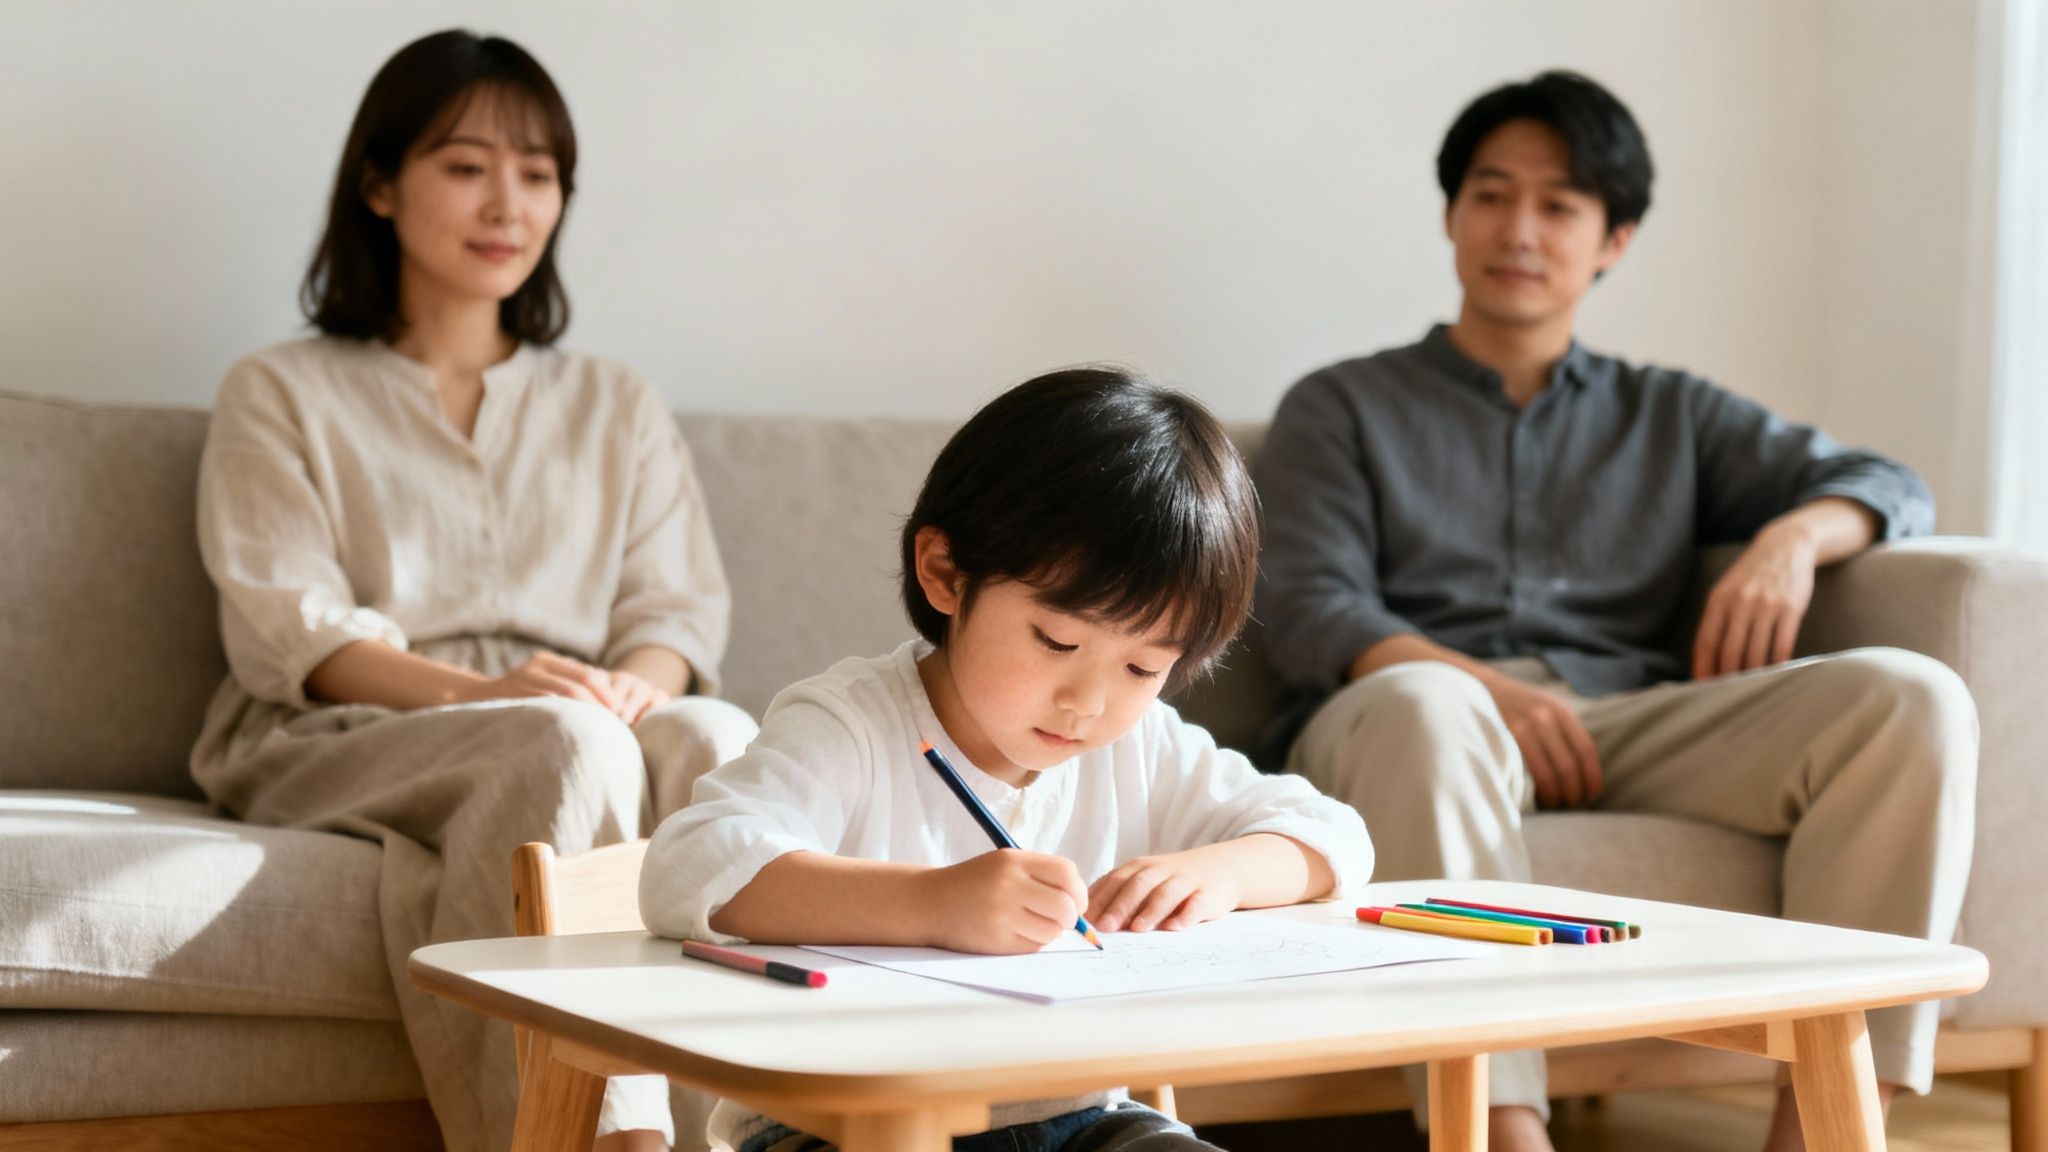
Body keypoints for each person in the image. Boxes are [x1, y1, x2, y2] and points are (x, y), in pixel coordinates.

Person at [1254, 71, 1977, 1152]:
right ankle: (1500, 1130)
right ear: (1452, 216)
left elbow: (1886, 482)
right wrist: (1482, 692)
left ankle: (1823, 1125)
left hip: (1622, 721)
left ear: (1613, 240)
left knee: (1908, 698)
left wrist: (1787, 540)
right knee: (1423, 703)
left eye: (1559, 206)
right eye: (1491, 195)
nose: (1518, 230)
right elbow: (1307, 605)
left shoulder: (1672, 414)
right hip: (1406, 724)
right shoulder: (1340, 404)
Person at [190, 30, 758, 1152]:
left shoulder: (615, 402)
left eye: (539, 174)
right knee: (558, 745)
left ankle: (755, 1129)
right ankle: (604, 1141)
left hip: (578, 710)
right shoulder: (280, 390)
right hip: (348, 722)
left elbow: (672, 616)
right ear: (379, 185)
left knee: (718, 734)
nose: (509, 203)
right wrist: (491, 699)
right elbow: (284, 624)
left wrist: (630, 697)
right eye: (465, 166)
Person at [641, 368, 1372, 1152]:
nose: (1088, 703)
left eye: (1142, 668)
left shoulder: (1139, 742)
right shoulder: (850, 725)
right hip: (845, 1123)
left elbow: (1333, 837)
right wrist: (931, 905)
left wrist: (1219, 873)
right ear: (945, 575)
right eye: (1058, 642)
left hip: (1079, 1117)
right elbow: (686, 866)